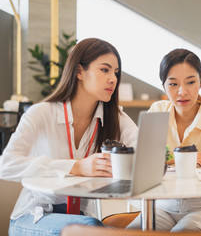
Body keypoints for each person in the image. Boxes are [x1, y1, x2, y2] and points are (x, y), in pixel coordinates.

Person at [0, 38, 138, 236]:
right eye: (105, 70)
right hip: (34, 216)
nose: (113, 79)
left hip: (81, 217)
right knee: (92, 229)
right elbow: (6, 166)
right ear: (79, 71)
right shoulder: (41, 113)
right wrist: (75, 166)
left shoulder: (114, 117)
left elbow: (146, 150)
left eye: (116, 72)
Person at [127, 48, 201, 231]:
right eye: (173, 84)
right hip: (161, 206)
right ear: (164, 86)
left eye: (190, 82)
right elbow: (143, 157)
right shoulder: (158, 110)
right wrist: (194, 158)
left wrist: (167, 157)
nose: (182, 92)